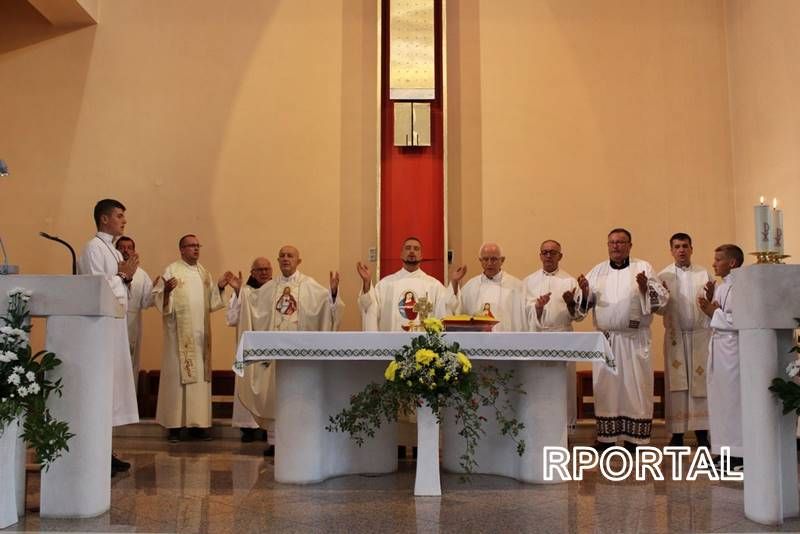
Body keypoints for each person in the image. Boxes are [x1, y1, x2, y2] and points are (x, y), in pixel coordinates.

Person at [232, 245, 343, 444]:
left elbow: (327, 306)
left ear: (298, 261)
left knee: (297, 398)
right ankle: (275, 444)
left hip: (299, 358)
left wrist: (333, 294)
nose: (285, 259)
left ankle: (298, 442)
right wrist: (241, 291)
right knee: (275, 396)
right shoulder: (268, 288)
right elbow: (251, 303)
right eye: (282, 256)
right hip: (274, 359)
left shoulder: (310, 286)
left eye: (290, 256)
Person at [579, 228, 669, 450]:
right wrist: (582, 292)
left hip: (634, 339)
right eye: (612, 242)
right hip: (607, 340)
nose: (616, 246)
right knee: (606, 388)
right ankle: (606, 439)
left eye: (621, 242)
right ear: (607, 245)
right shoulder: (597, 271)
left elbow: (662, 302)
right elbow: (583, 305)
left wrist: (644, 287)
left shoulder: (644, 268)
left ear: (630, 245)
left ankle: (634, 439)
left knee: (636, 388)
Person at [77, 198, 139, 476]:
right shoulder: (93, 248)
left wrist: (125, 276)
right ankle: (98, 450)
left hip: (115, 324)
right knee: (103, 388)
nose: (123, 221)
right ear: (104, 219)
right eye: (119, 215)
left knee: (113, 390)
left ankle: (107, 449)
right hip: (100, 327)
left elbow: (118, 285)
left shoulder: (112, 250)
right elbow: (95, 289)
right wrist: (123, 276)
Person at [152, 234, 227, 442]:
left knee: (200, 381)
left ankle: (198, 426)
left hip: (201, 337)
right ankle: (174, 427)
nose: (196, 249)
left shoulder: (204, 273)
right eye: (191, 246)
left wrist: (220, 287)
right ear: (181, 249)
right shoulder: (172, 270)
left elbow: (211, 303)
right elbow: (158, 298)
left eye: (197, 245)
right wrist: (166, 292)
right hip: (178, 338)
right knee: (177, 379)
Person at [522, 239, 584, 433]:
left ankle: (563, 431)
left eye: (553, 252)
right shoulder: (528, 281)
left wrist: (570, 304)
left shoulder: (570, 281)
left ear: (560, 256)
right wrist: (538, 308)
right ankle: (538, 429)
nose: (548, 256)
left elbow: (579, 316)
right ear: (540, 255)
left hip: (562, 336)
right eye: (545, 252)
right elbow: (523, 311)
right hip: (538, 337)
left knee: (562, 385)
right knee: (538, 384)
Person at [656, 233, 711, 448]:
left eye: (685, 246)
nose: (681, 250)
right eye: (677, 246)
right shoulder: (663, 276)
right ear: (671, 250)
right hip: (675, 337)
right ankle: (677, 435)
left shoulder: (703, 273)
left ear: (691, 248)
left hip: (699, 336)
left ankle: (701, 433)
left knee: (700, 386)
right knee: (677, 387)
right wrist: (663, 298)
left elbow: (709, 302)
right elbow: (657, 310)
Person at [698, 243, 744, 471]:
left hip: (733, 353)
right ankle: (722, 453)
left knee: (732, 404)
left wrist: (712, 311)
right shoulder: (722, 286)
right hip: (718, 349)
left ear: (732, 263)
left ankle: (738, 456)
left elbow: (739, 322)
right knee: (719, 402)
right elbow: (717, 315)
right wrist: (710, 305)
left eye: (718, 259)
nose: (714, 263)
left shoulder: (742, 287)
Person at [357, 237, 455, 331]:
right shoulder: (385, 285)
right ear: (401, 254)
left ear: (421, 255)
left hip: (423, 347)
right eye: (408, 248)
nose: (412, 251)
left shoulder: (434, 286)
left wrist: (454, 283)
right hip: (391, 345)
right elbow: (369, 307)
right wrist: (367, 283)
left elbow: (446, 309)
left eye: (416, 249)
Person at [225, 257, 273, 443]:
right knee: (247, 383)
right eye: (259, 269)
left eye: (267, 269)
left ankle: (265, 427)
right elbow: (231, 319)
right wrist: (238, 293)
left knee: (267, 388)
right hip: (249, 349)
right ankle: (247, 427)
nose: (263, 272)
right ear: (252, 272)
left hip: (270, 349)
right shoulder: (244, 292)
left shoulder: (277, 292)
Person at [451, 242, 522, 331]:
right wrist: (455, 282)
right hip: (477, 340)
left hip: (505, 340)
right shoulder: (470, 286)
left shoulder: (515, 286)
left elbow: (522, 318)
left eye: (493, 259)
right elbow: (456, 310)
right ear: (480, 261)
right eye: (485, 259)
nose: (489, 263)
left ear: (502, 260)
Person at [115, 235, 155, 389]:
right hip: (112, 324)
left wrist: (158, 290)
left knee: (130, 366)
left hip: (131, 328)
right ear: (115, 250)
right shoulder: (111, 269)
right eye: (122, 247)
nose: (125, 250)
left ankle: (129, 410)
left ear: (134, 251)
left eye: (129, 247)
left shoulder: (141, 274)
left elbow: (147, 302)